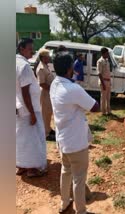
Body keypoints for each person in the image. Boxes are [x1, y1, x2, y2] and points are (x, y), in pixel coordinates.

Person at [50, 52, 99, 214]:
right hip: (76, 142)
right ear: (70, 68)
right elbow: (95, 106)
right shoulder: (73, 89)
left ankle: (64, 203)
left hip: (63, 140)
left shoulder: (54, 84)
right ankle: (81, 211)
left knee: (66, 171)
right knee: (79, 178)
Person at [16, 38, 47, 177]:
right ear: (21, 48)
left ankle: (21, 165)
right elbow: (25, 92)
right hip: (29, 109)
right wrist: (32, 113)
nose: (32, 51)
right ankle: (32, 169)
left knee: (20, 137)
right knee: (32, 138)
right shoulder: (24, 66)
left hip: (18, 107)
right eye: (30, 48)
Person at [36, 49, 56, 141]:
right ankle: (45, 133)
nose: (49, 58)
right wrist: (52, 89)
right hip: (44, 93)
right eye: (48, 56)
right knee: (45, 113)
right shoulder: (41, 68)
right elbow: (42, 83)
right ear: (43, 58)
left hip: (48, 93)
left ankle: (48, 128)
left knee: (48, 112)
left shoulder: (46, 66)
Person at [97, 47, 112, 115]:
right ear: (103, 53)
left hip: (108, 81)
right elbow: (99, 73)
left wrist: (109, 82)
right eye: (107, 53)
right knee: (103, 97)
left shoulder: (107, 60)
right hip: (104, 81)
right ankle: (103, 112)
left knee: (108, 97)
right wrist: (103, 84)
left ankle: (108, 111)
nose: (108, 54)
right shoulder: (100, 61)